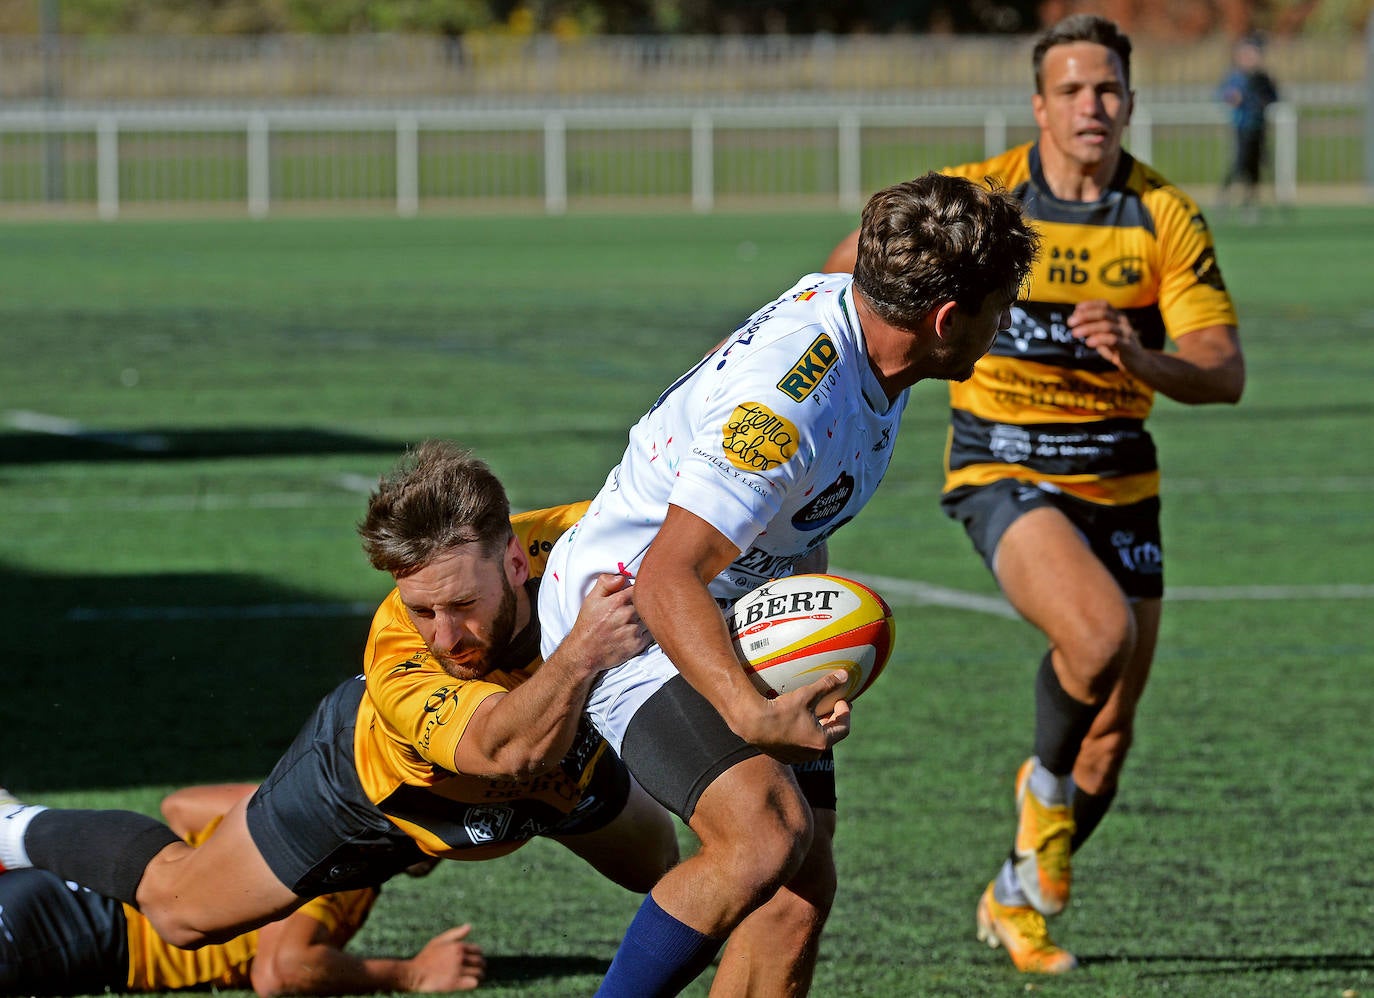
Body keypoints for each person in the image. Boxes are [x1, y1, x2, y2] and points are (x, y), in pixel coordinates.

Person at [538, 172, 1039, 996]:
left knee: (801, 888)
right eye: (997, 309)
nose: (1004, 325)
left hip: (737, 605)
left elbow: (865, 241)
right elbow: (669, 576)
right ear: (946, 321)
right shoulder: (793, 409)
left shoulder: (870, 299)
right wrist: (751, 710)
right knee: (763, 838)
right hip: (629, 616)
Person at [823, 13, 1245, 976]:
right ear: (1039, 104)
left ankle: (1017, 888)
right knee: (1098, 636)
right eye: (1072, 89)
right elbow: (844, 266)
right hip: (1003, 466)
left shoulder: (1162, 215)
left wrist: (1143, 355)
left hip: (1120, 479)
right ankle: (1040, 807)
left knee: (1108, 742)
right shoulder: (985, 196)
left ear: (1131, 102)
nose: (1091, 106)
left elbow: (1223, 369)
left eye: (1108, 89)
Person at [0, 441, 679, 957]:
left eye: (462, 605)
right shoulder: (396, 653)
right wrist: (584, 651)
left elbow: (719, 523)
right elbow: (497, 751)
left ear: (515, 560)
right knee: (182, 914)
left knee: (669, 870)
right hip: (377, 793)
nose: (446, 637)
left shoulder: (587, 543)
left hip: (555, 765)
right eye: (421, 609)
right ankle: (14, 825)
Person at [0, 783, 484, 996]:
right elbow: (281, 971)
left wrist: (291, 794)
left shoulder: (301, 823)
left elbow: (182, 807)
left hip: (80, 873)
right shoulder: (352, 854)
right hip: (88, 926)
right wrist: (412, 975)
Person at [1217, 32, 1279, 219]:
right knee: (1239, 163)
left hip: (1259, 127)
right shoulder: (1236, 77)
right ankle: (1224, 200)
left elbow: (1273, 96)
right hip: (1241, 126)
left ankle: (1250, 204)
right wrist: (1232, 98)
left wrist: (1263, 101)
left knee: (1255, 167)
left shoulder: (1262, 78)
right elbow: (1223, 94)